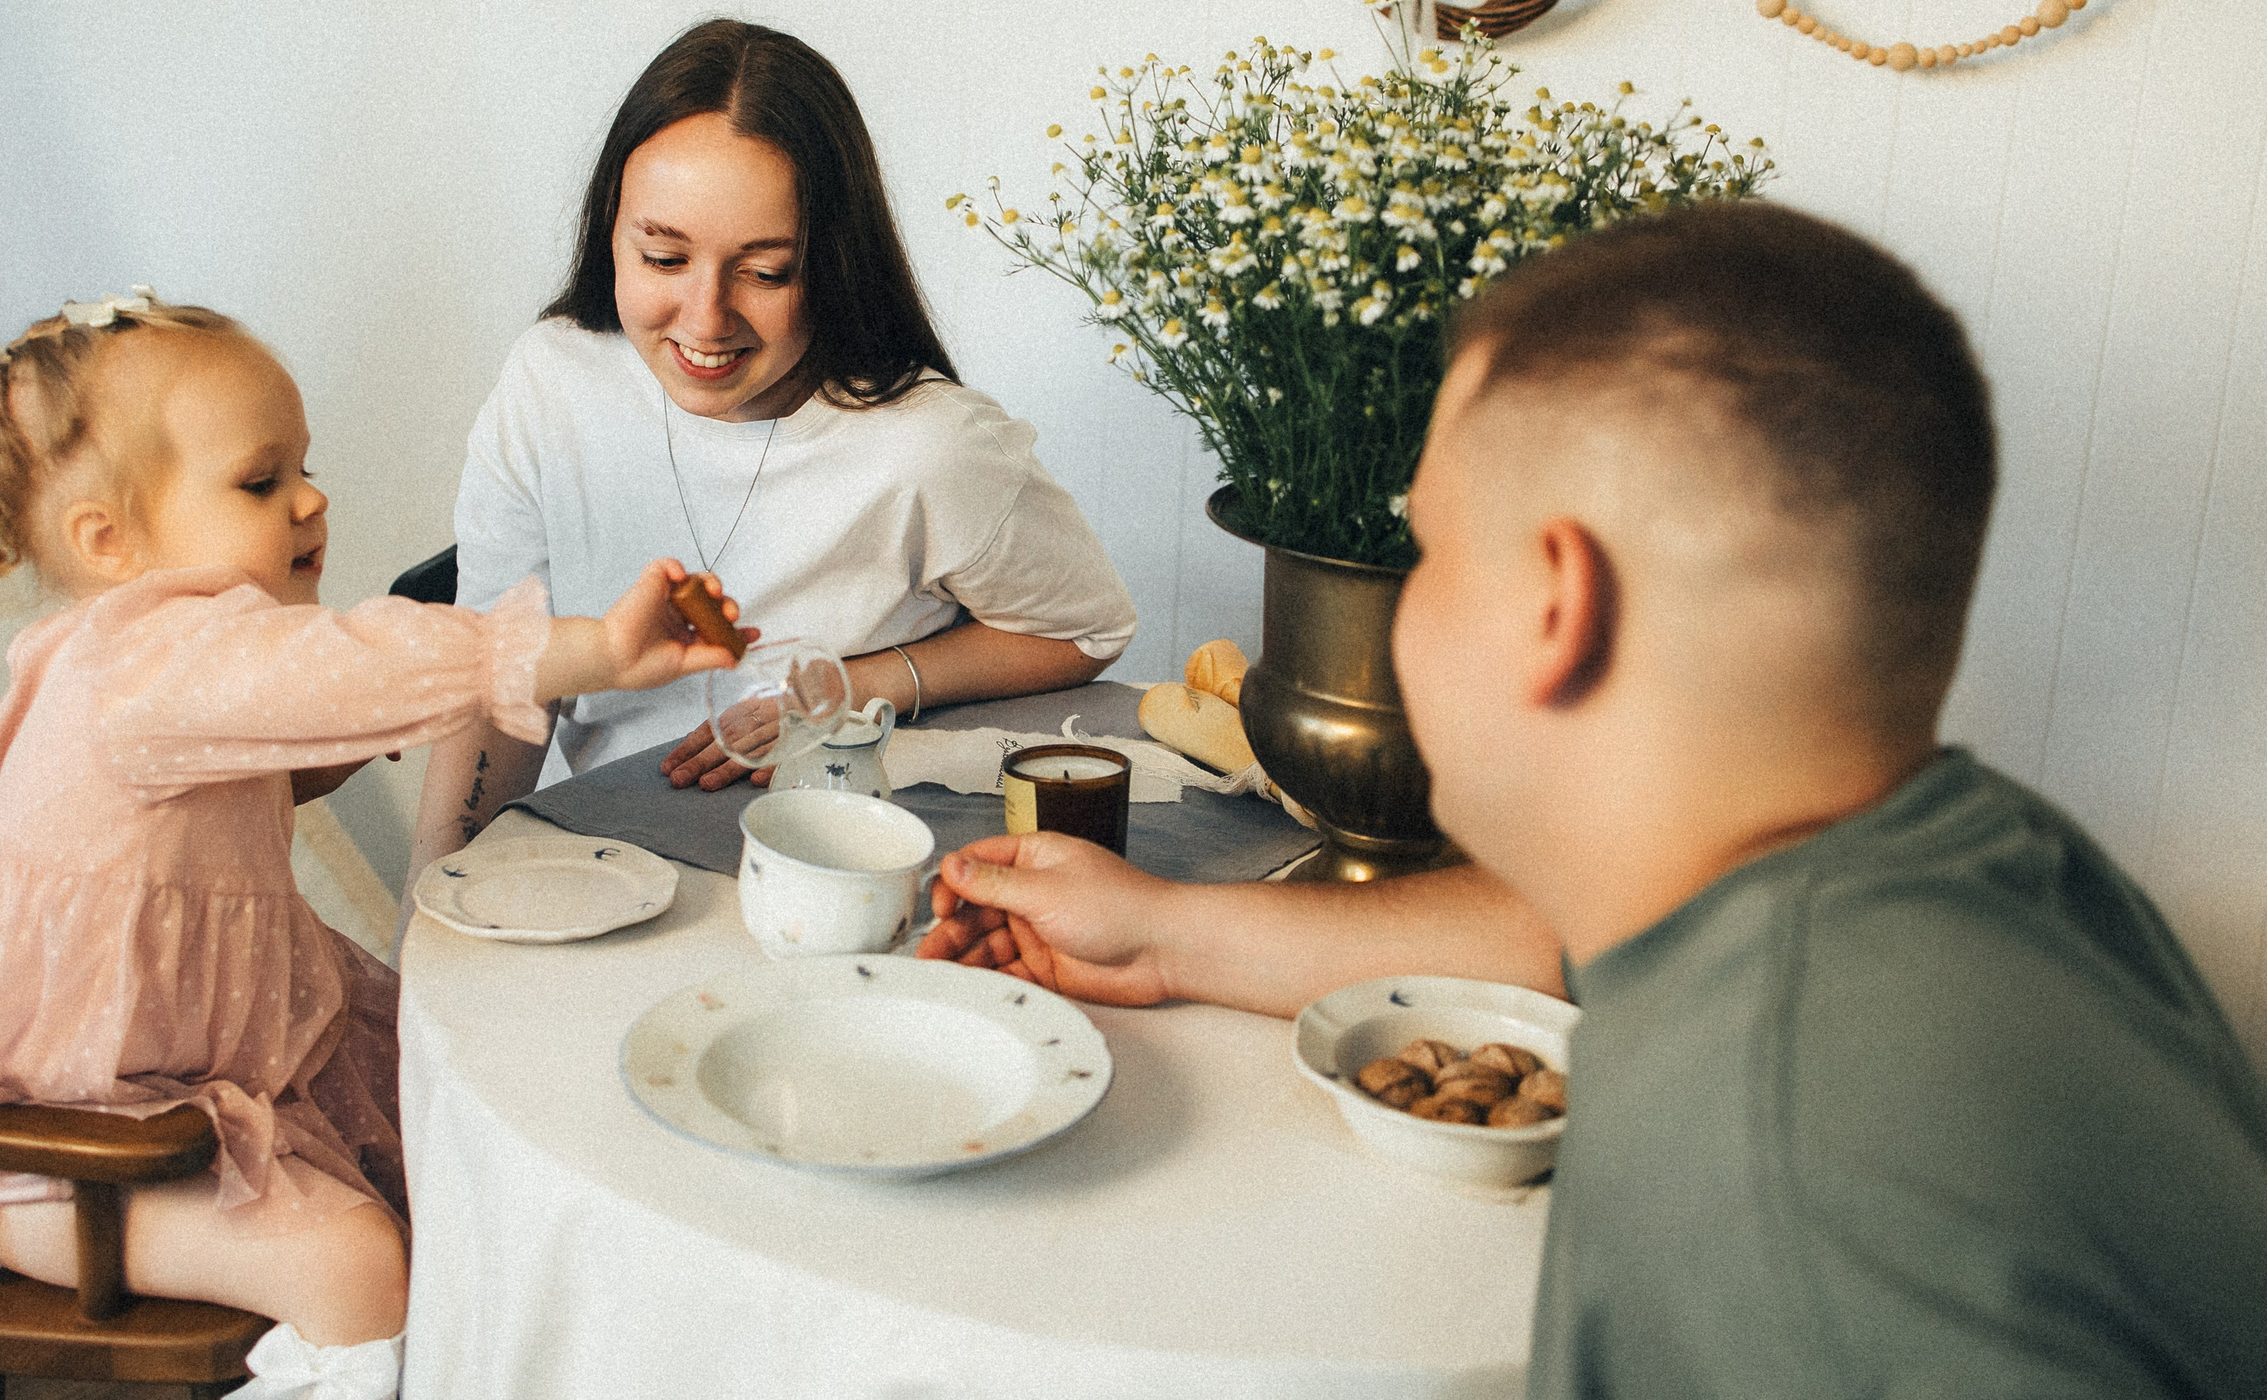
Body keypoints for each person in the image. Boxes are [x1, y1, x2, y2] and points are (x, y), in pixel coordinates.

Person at [921, 203, 2267, 1396]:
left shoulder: (1779, 1159)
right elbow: (1551, 937)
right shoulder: (1986, 871)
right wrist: (1161, 928)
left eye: (1432, 548)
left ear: (1558, 600)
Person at [0, 291, 742, 1400]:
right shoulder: (151, 666)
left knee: (462, 1112)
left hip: (167, 1062)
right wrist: (596, 651)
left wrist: (328, 750)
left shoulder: (147, 655)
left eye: (301, 468)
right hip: (51, 1149)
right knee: (355, 1265)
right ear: (110, 538)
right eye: (259, 482)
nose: (310, 499)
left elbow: (267, 741)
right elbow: (349, 663)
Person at [415, 19, 1137, 879]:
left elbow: (1086, 628)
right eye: (663, 255)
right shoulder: (552, 384)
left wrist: (852, 686)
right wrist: (425, 917)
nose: (705, 318)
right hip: (608, 867)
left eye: (765, 273)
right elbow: (502, 681)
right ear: (611, 229)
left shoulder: (927, 447)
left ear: (834, 263)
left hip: (849, 864)